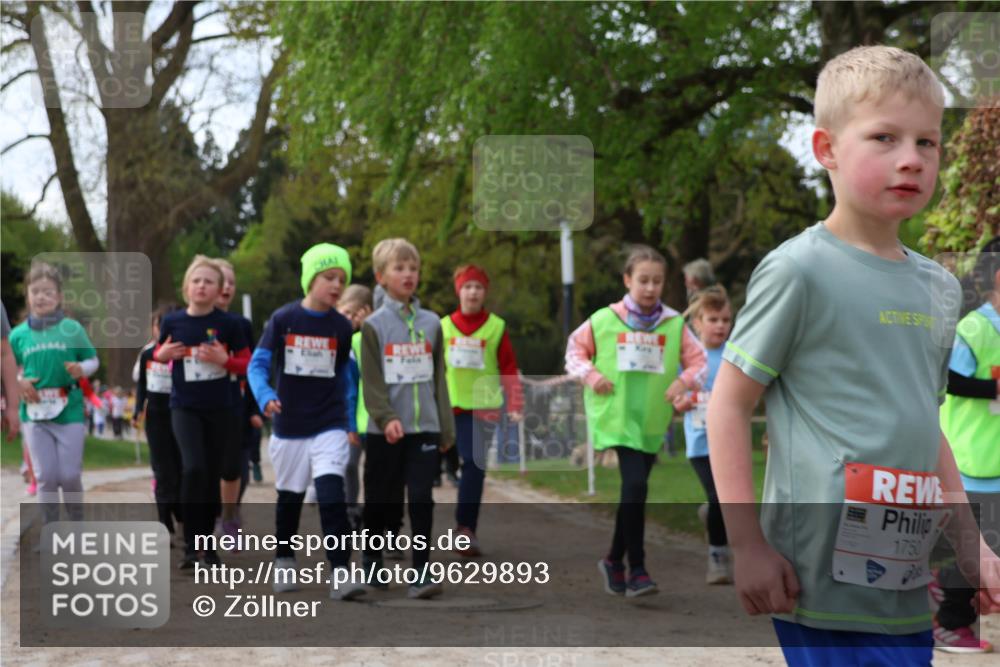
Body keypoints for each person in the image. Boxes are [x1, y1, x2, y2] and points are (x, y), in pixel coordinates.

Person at [707, 46, 1000, 665]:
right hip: (816, 574)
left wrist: (970, 543)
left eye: (928, 142)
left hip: (902, 577)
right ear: (826, 150)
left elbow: (927, 422)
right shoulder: (798, 270)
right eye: (885, 137)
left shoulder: (940, 287)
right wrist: (747, 545)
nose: (911, 159)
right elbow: (728, 407)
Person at [566, 244, 706, 598]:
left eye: (657, 281)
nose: (650, 287)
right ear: (627, 280)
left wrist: (683, 381)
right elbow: (574, 350)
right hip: (617, 416)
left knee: (634, 493)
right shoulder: (604, 319)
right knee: (636, 488)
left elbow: (699, 361)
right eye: (643, 280)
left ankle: (613, 559)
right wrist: (592, 375)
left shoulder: (674, 323)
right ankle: (638, 569)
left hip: (651, 420)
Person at [248, 242, 365, 600]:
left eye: (342, 279)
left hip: (329, 423)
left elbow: (346, 376)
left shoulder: (341, 328)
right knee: (290, 498)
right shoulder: (283, 320)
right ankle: (284, 559)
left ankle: (341, 573)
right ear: (310, 278)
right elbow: (258, 365)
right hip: (289, 425)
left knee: (332, 495)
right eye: (329, 277)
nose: (336, 285)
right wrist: (266, 396)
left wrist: (349, 421)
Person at [360, 237, 455, 599]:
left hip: (425, 428)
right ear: (381, 276)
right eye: (399, 268)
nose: (408, 274)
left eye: (413, 268)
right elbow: (372, 381)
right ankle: (372, 558)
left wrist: (445, 426)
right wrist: (385, 418)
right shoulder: (373, 325)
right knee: (382, 499)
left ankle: (421, 570)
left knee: (421, 497)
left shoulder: (432, 323)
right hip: (386, 431)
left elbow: (438, 378)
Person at [155, 255, 250, 568]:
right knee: (193, 468)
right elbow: (158, 352)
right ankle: (189, 546)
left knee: (210, 476)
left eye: (209, 281)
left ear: (219, 289)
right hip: (184, 407)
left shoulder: (231, 325)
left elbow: (247, 364)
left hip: (221, 408)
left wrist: (226, 361)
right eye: (196, 280)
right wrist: (163, 354)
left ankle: (206, 549)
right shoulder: (174, 321)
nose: (202, 286)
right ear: (186, 288)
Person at [932, 237, 1000, 653]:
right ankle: (950, 624)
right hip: (970, 459)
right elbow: (950, 381)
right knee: (980, 543)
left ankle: (942, 588)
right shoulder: (974, 327)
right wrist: (993, 385)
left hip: (994, 458)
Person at [442, 264, 524, 557]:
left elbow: (509, 367)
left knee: (474, 466)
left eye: (478, 287)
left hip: (483, 407)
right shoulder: (443, 326)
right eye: (467, 287)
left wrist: (515, 403)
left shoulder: (496, 327)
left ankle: (465, 529)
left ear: (484, 292)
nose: (473, 292)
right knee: (449, 465)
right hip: (449, 406)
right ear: (458, 291)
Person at [10, 263, 99, 522]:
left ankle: (76, 522)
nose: (41, 297)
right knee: (46, 476)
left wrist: (81, 368)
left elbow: (93, 360)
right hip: (34, 414)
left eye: (48, 292)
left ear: (59, 297)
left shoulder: (72, 329)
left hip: (68, 408)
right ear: (27, 295)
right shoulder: (18, 334)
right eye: (35, 291)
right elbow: (9, 368)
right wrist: (20, 381)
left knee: (69, 475)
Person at [672, 285, 733, 584]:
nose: (721, 325)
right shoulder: (689, 358)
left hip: (731, 440)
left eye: (725, 320)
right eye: (713, 319)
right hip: (700, 442)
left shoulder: (735, 355)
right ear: (697, 322)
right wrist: (681, 401)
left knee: (727, 500)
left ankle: (710, 513)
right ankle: (718, 558)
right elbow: (675, 395)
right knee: (719, 495)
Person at [212, 258, 260, 545]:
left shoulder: (242, 325)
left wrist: (255, 408)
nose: (227, 286)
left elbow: (254, 367)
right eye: (222, 280)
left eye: (231, 281)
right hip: (202, 405)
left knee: (238, 466)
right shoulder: (189, 321)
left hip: (238, 405)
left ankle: (230, 514)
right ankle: (211, 516)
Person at [135, 305, 183, 542]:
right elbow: (142, 385)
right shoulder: (147, 355)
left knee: (181, 470)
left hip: (181, 415)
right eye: (158, 326)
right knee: (163, 472)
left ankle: (181, 516)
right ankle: (165, 521)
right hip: (156, 417)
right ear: (154, 328)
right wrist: (137, 411)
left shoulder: (184, 353)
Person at [339, 283, 373, 532]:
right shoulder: (337, 340)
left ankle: (372, 515)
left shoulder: (367, 341)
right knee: (349, 465)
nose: (350, 320)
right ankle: (350, 510)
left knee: (373, 471)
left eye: (355, 315)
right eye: (346, 313)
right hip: (345, 416)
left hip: (369, 416)